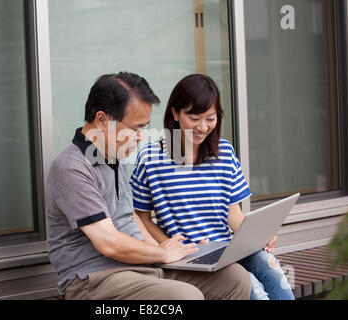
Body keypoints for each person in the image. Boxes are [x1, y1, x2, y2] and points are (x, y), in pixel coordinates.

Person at [46, 72, 251, 300]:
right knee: (184, 298)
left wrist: (174, 250)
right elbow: (109, 243)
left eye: (144, 128)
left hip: (141, 267)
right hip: (95, 279)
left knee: (234, 279)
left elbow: (130, 216)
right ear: (102, 120)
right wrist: (161, 252)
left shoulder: (114, 157)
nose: (140, 137)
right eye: (135, 129)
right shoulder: (71, 167)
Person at [130, 74, 295, 300]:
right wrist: (165, 246)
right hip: (188, 258)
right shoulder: (150, 157)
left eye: (211, 118)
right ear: (175, 113)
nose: (203, 127)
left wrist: (259, 237)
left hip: (227, 249)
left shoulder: (224, 152)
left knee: (270, 264)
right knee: (254, 290)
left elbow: (233, 212)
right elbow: (142, 218)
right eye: (194, 118)